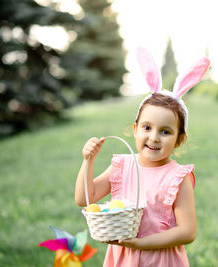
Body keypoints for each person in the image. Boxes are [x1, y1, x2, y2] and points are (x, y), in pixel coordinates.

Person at [74, 47, 210, 267]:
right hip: (124, 260)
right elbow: (84, 198)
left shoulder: (178, 177)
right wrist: (87, 161)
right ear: (136, 129)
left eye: (165, 131)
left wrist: (142, 243)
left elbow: (188, 231)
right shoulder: (123, 166)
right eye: (147, 128)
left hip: (162, 260)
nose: (154, 138)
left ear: (179, 139)